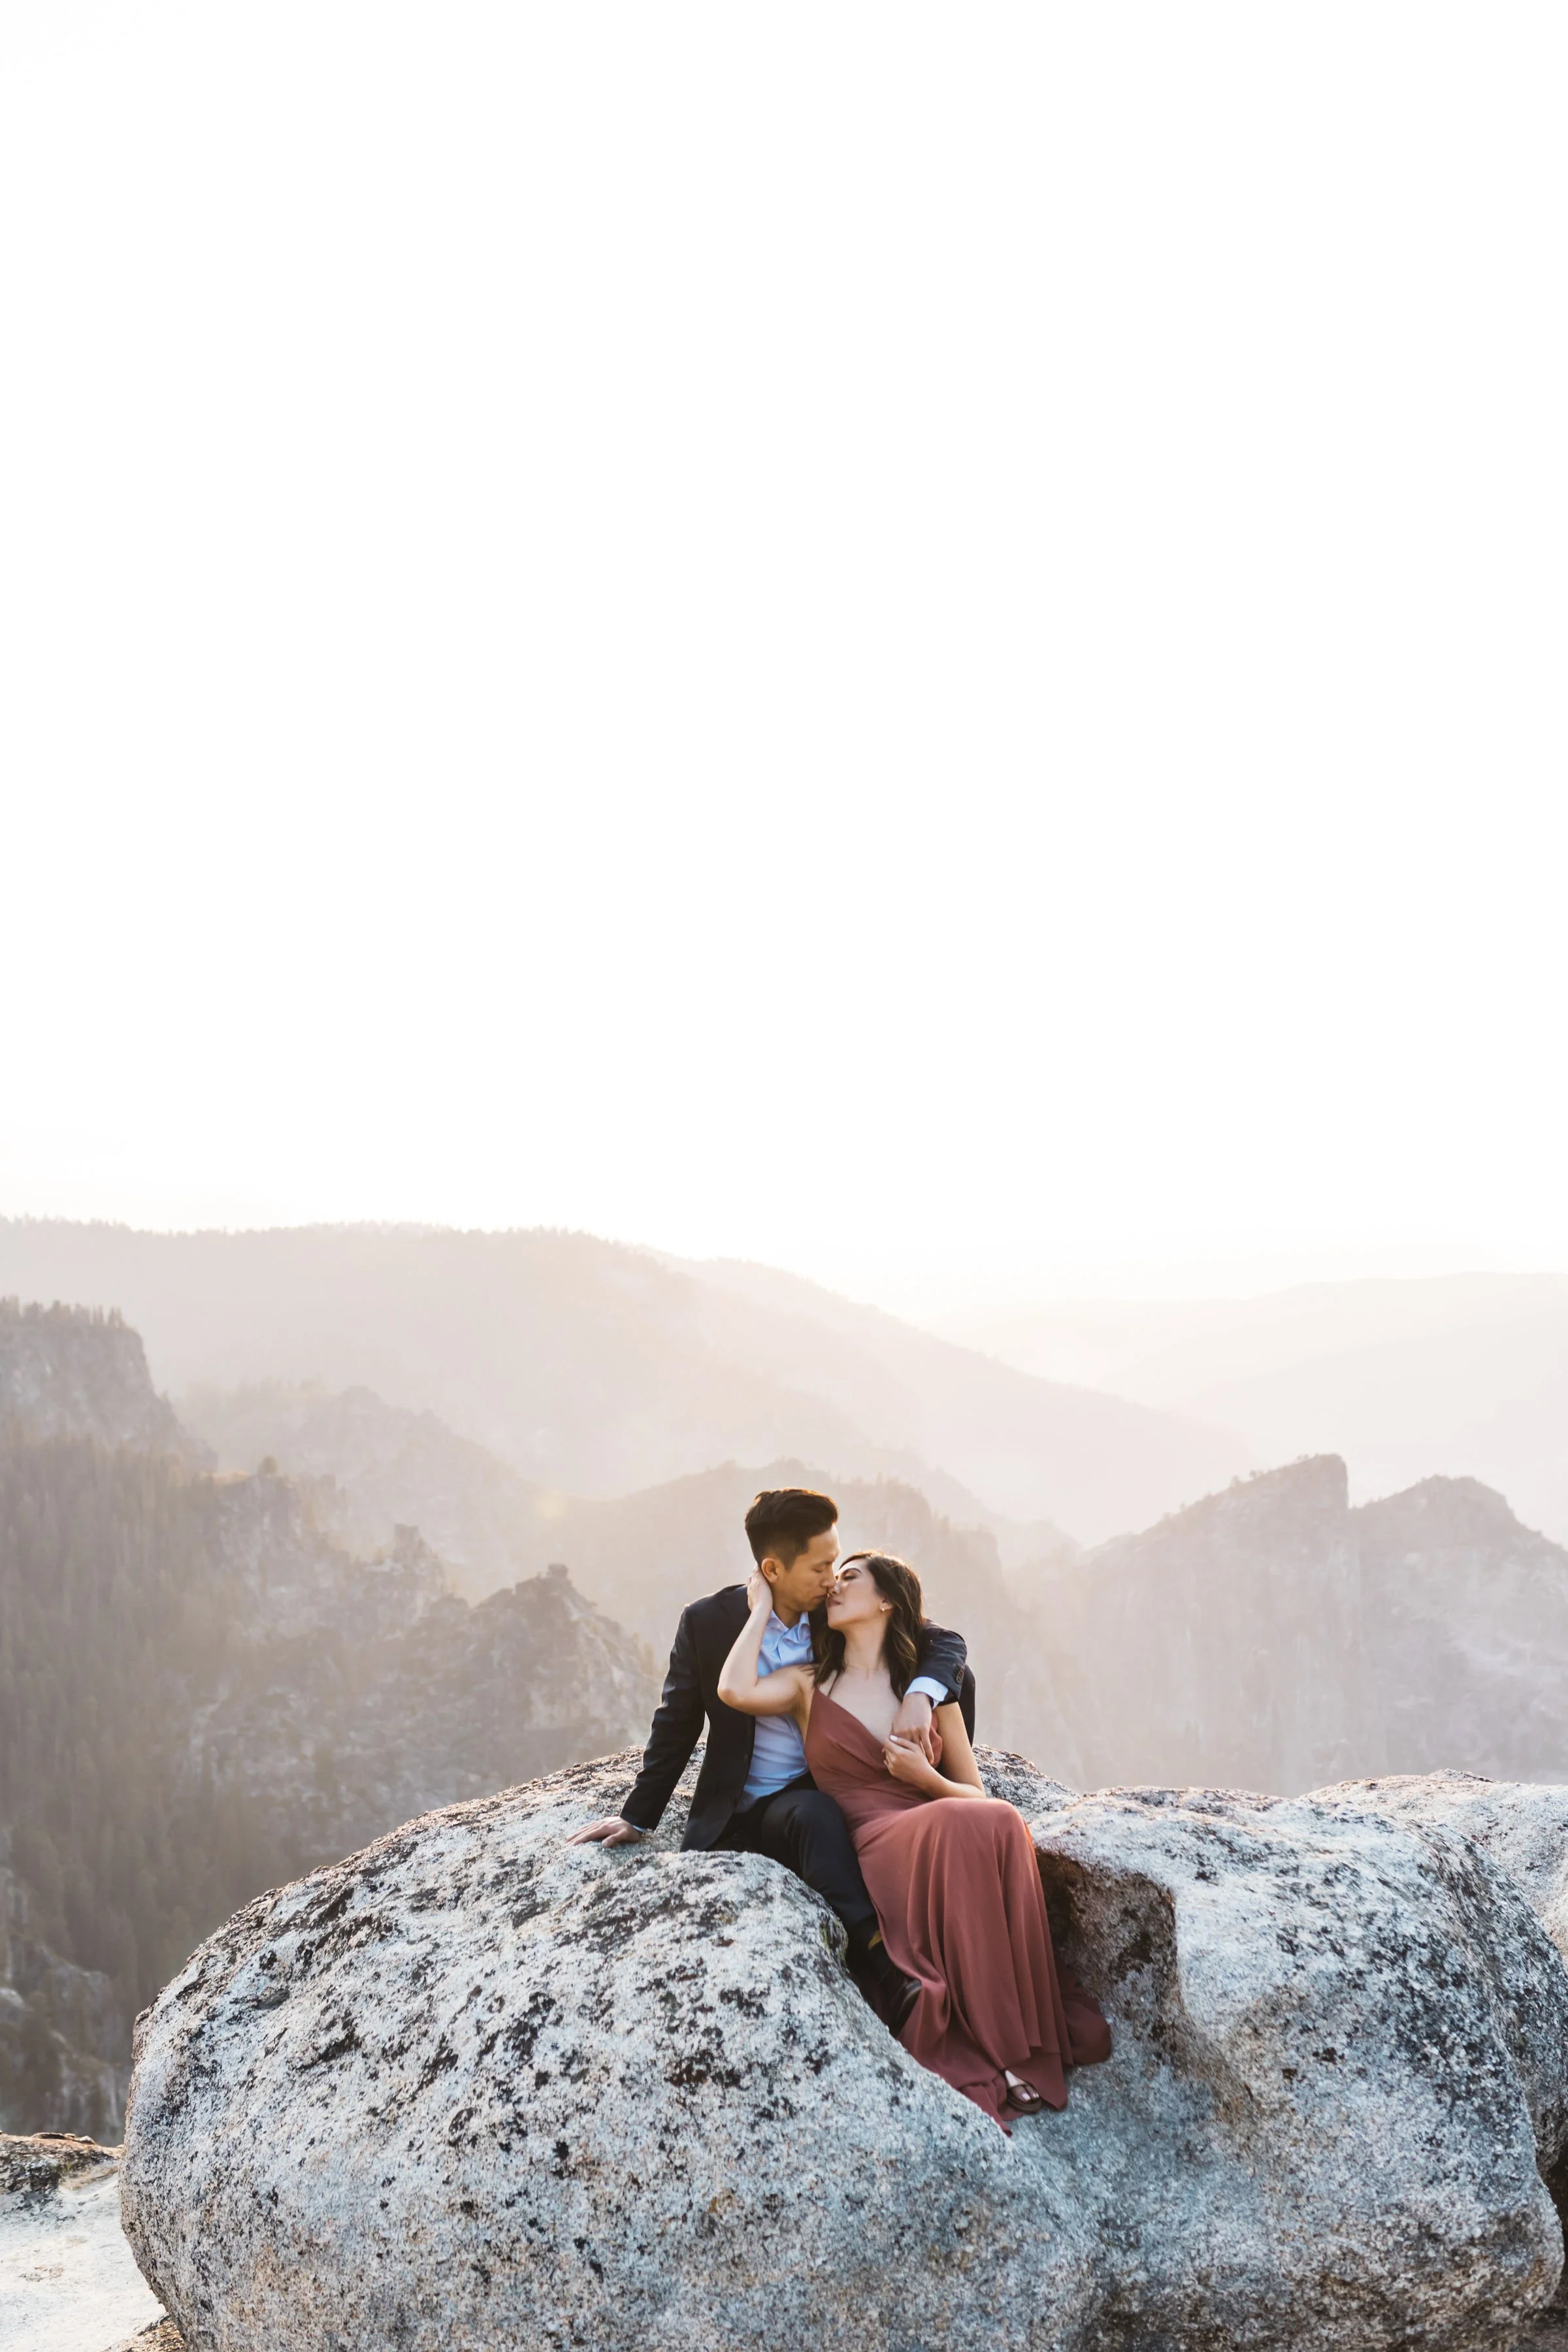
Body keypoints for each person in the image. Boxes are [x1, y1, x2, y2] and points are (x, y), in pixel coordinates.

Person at [716, 1547, 1112, 2129]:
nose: (835, 1586)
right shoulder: (807, 1683)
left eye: (850, 1578)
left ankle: (1006, 2042)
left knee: (998, 1819)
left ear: (886, 1602)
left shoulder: (925, 1695)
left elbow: (975, 1795)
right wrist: (758, 1609)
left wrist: (925, 1778)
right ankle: (992, 2052)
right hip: (868, 1838)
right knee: (966, 1826)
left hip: (931, 1818)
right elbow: (733, 1689)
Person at [566, 1486, 971, 2031]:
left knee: (938, 1705)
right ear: (773, 1568)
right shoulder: (709, 1622)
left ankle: (947, 1815)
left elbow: (944, 1644)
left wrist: (922, 1697)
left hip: (821, 1786)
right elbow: (677, 1722)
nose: (834, 1578)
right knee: (815, 1817)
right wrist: (639, 1816)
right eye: (822, 1566)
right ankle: (883, 1965)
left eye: (838, 1560)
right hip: (750, 1807)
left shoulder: (834, 1614)